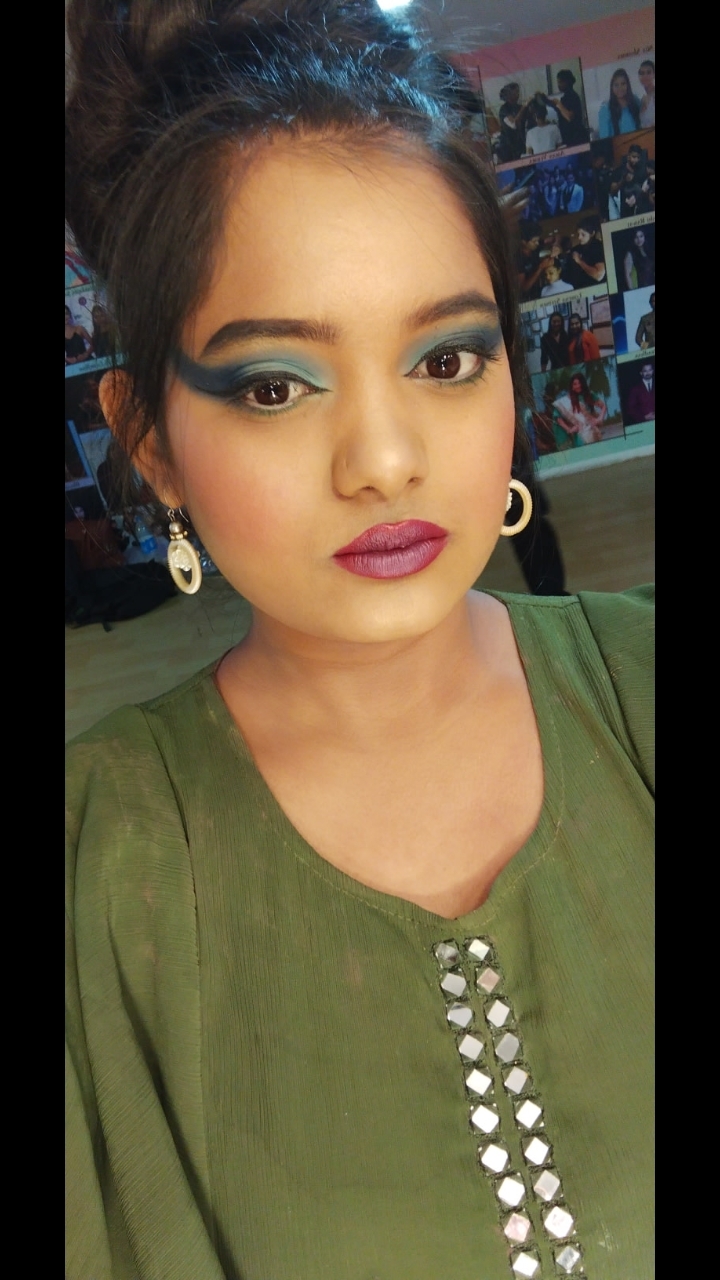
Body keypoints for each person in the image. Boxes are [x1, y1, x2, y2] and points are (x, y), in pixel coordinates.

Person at [65, 4, 654, 1278]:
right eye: (276, 384)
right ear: (150, 437)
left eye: (446, 360)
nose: (385, 460)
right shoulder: (99, 864)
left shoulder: (641, 687)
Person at [554, 372, 608, 444]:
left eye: (580, 383)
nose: (578, 386)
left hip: (592, 430)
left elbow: (603, 406)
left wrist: (599, 419)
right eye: (575, 384)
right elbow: (558, 418)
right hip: (579, 433)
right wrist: (569, 429)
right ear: (572, 386)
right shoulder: (565, 400)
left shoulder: (589, 394)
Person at [561, 216, 606, 290]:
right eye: (578, 234)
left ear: (592, 233)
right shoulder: (577, 249)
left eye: (583, 234)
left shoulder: (598, 247)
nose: (579, 237)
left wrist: (579, 261)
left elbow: (598, 275)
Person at [548, 70, 589, 147]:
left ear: (567, 82)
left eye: (560, 82)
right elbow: (558, 109)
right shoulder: (564, 97)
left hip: (575, 138)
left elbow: (569, 116)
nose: (558, 85)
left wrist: (558, 104)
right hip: (568, 137)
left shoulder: (573, 96)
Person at [598, 68, 642, 138]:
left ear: (628, 85)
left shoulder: (636, 102)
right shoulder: (605, 109)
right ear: (612, 87)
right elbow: (604, 138)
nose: (620, 88)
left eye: (623, 84)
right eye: (616, 85)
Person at [623, 226, 654, 291]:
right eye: (636, 237)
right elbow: (628, 275)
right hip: (641, 288)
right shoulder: (630, 254)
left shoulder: (649, 250)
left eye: (641, 236)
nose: (639, 239)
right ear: (633, 238)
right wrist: (632, 291)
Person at [638, 60, 655, 128]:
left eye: (648, 72)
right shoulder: (642, 99)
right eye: (642, 73)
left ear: (654, 74)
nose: (645, 76)